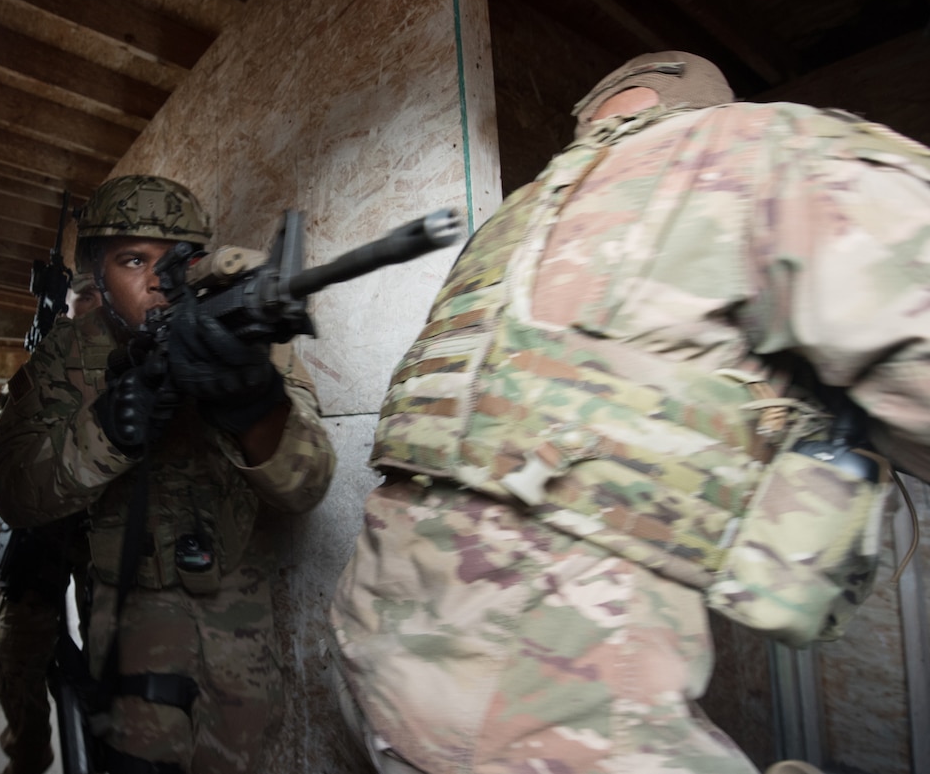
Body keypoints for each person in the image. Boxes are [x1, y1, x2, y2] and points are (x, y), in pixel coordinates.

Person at [329, 51, 930, 774]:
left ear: (595, 114)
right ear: (707, 103)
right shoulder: (765, 147)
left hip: (379, 652)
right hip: (539, 696)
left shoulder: (509, 226)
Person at [0, 175, 336, 773]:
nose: (154, 280)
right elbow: (14, 491)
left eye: (175, 260)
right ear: (97, 271)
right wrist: (106, 434)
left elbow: (309, 485)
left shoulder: (241, 333)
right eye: (132, 260)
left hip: (236, 612)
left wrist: (257, 408)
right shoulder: (67, 357)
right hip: (130, 610)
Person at [0, 272, 102, 774]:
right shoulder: (46, 368)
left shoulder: (127, 360)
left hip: (104, 539)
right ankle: (28, 758)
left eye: (100, 297)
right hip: (41, 538)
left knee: (111, 667)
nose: (93, 308)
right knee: (14, 662)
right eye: (84, 300)